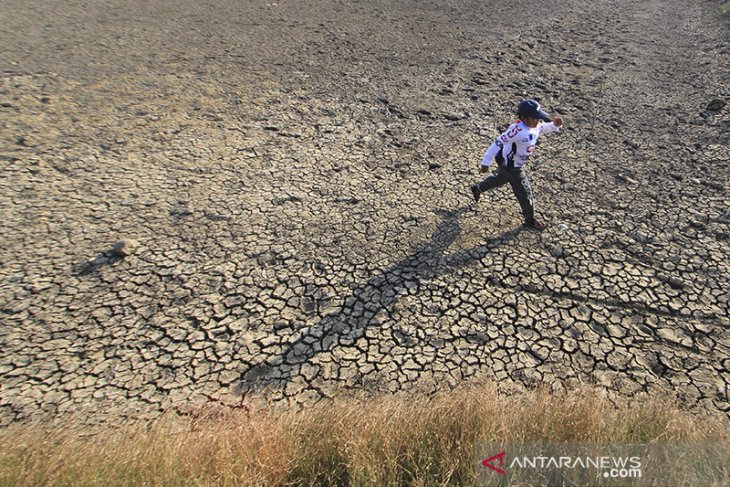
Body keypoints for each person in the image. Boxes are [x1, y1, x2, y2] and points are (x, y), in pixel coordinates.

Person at [470, 99, 563, 231]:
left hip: (511, 165)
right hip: (512, 167)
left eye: (538, 117)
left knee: (499, 179)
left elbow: (543, 128)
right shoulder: (517, 131)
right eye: (535, 118)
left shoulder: (534, 125)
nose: (538, 120)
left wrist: (554, 125)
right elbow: (497, 143)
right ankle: (530, 220)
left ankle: (478, 188)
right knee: (525, 192)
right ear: (524, 118)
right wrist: (486, 163)